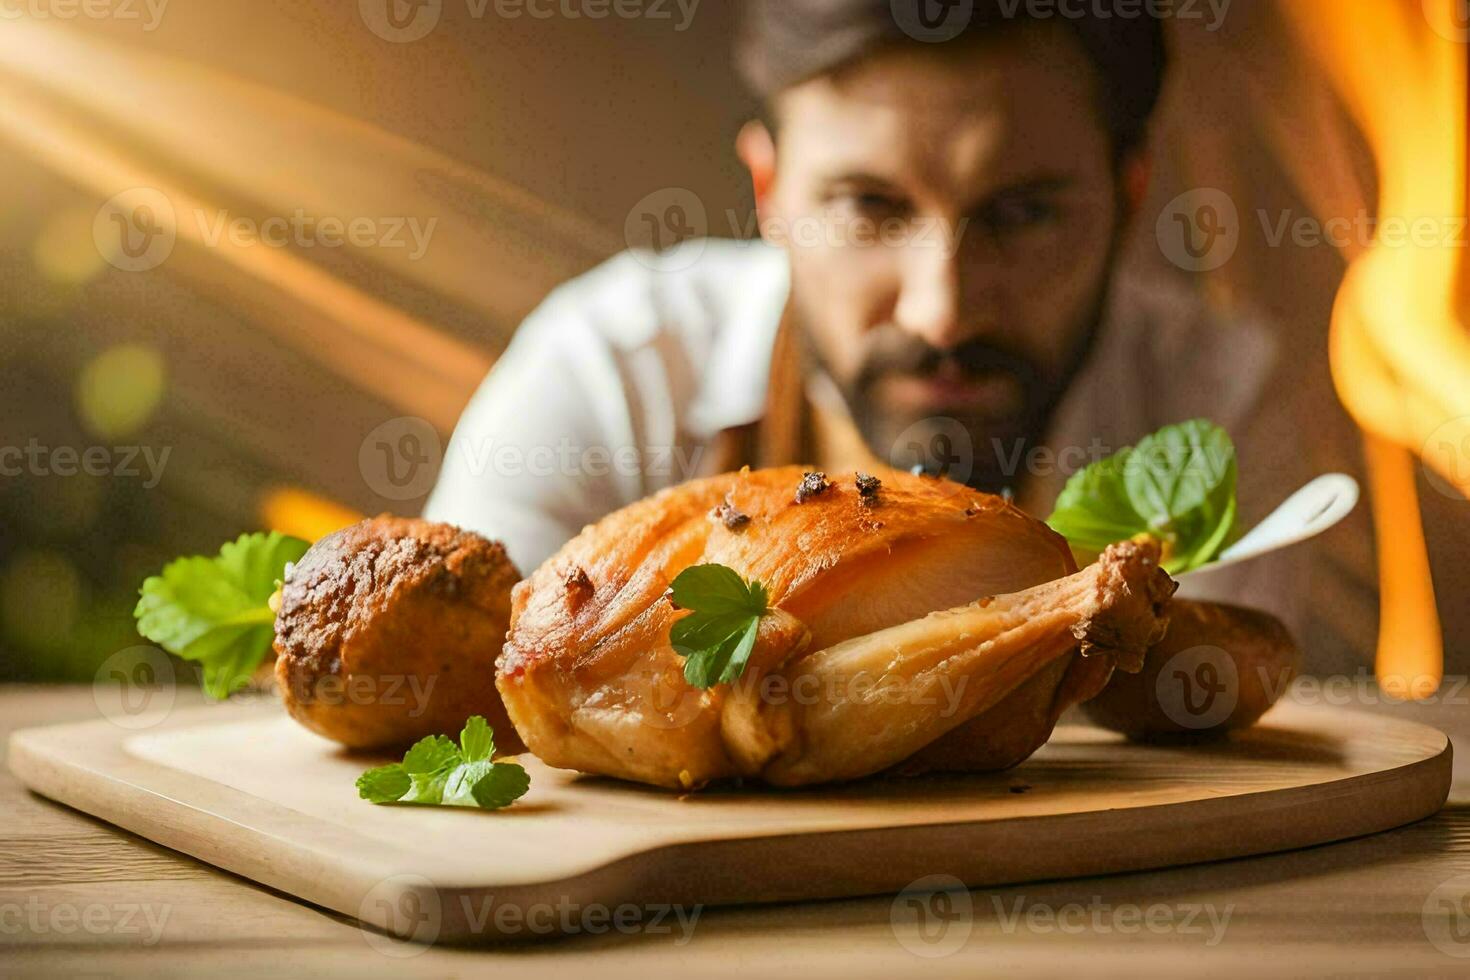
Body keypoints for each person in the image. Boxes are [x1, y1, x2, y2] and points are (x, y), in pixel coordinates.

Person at [425, 0, 1307, 633]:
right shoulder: (611, 369)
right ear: (768, 193)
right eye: (869, 207)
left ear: (1129, 195)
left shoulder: (1217, 409)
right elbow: (473, 693)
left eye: (1024, 213)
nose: (944, 311)